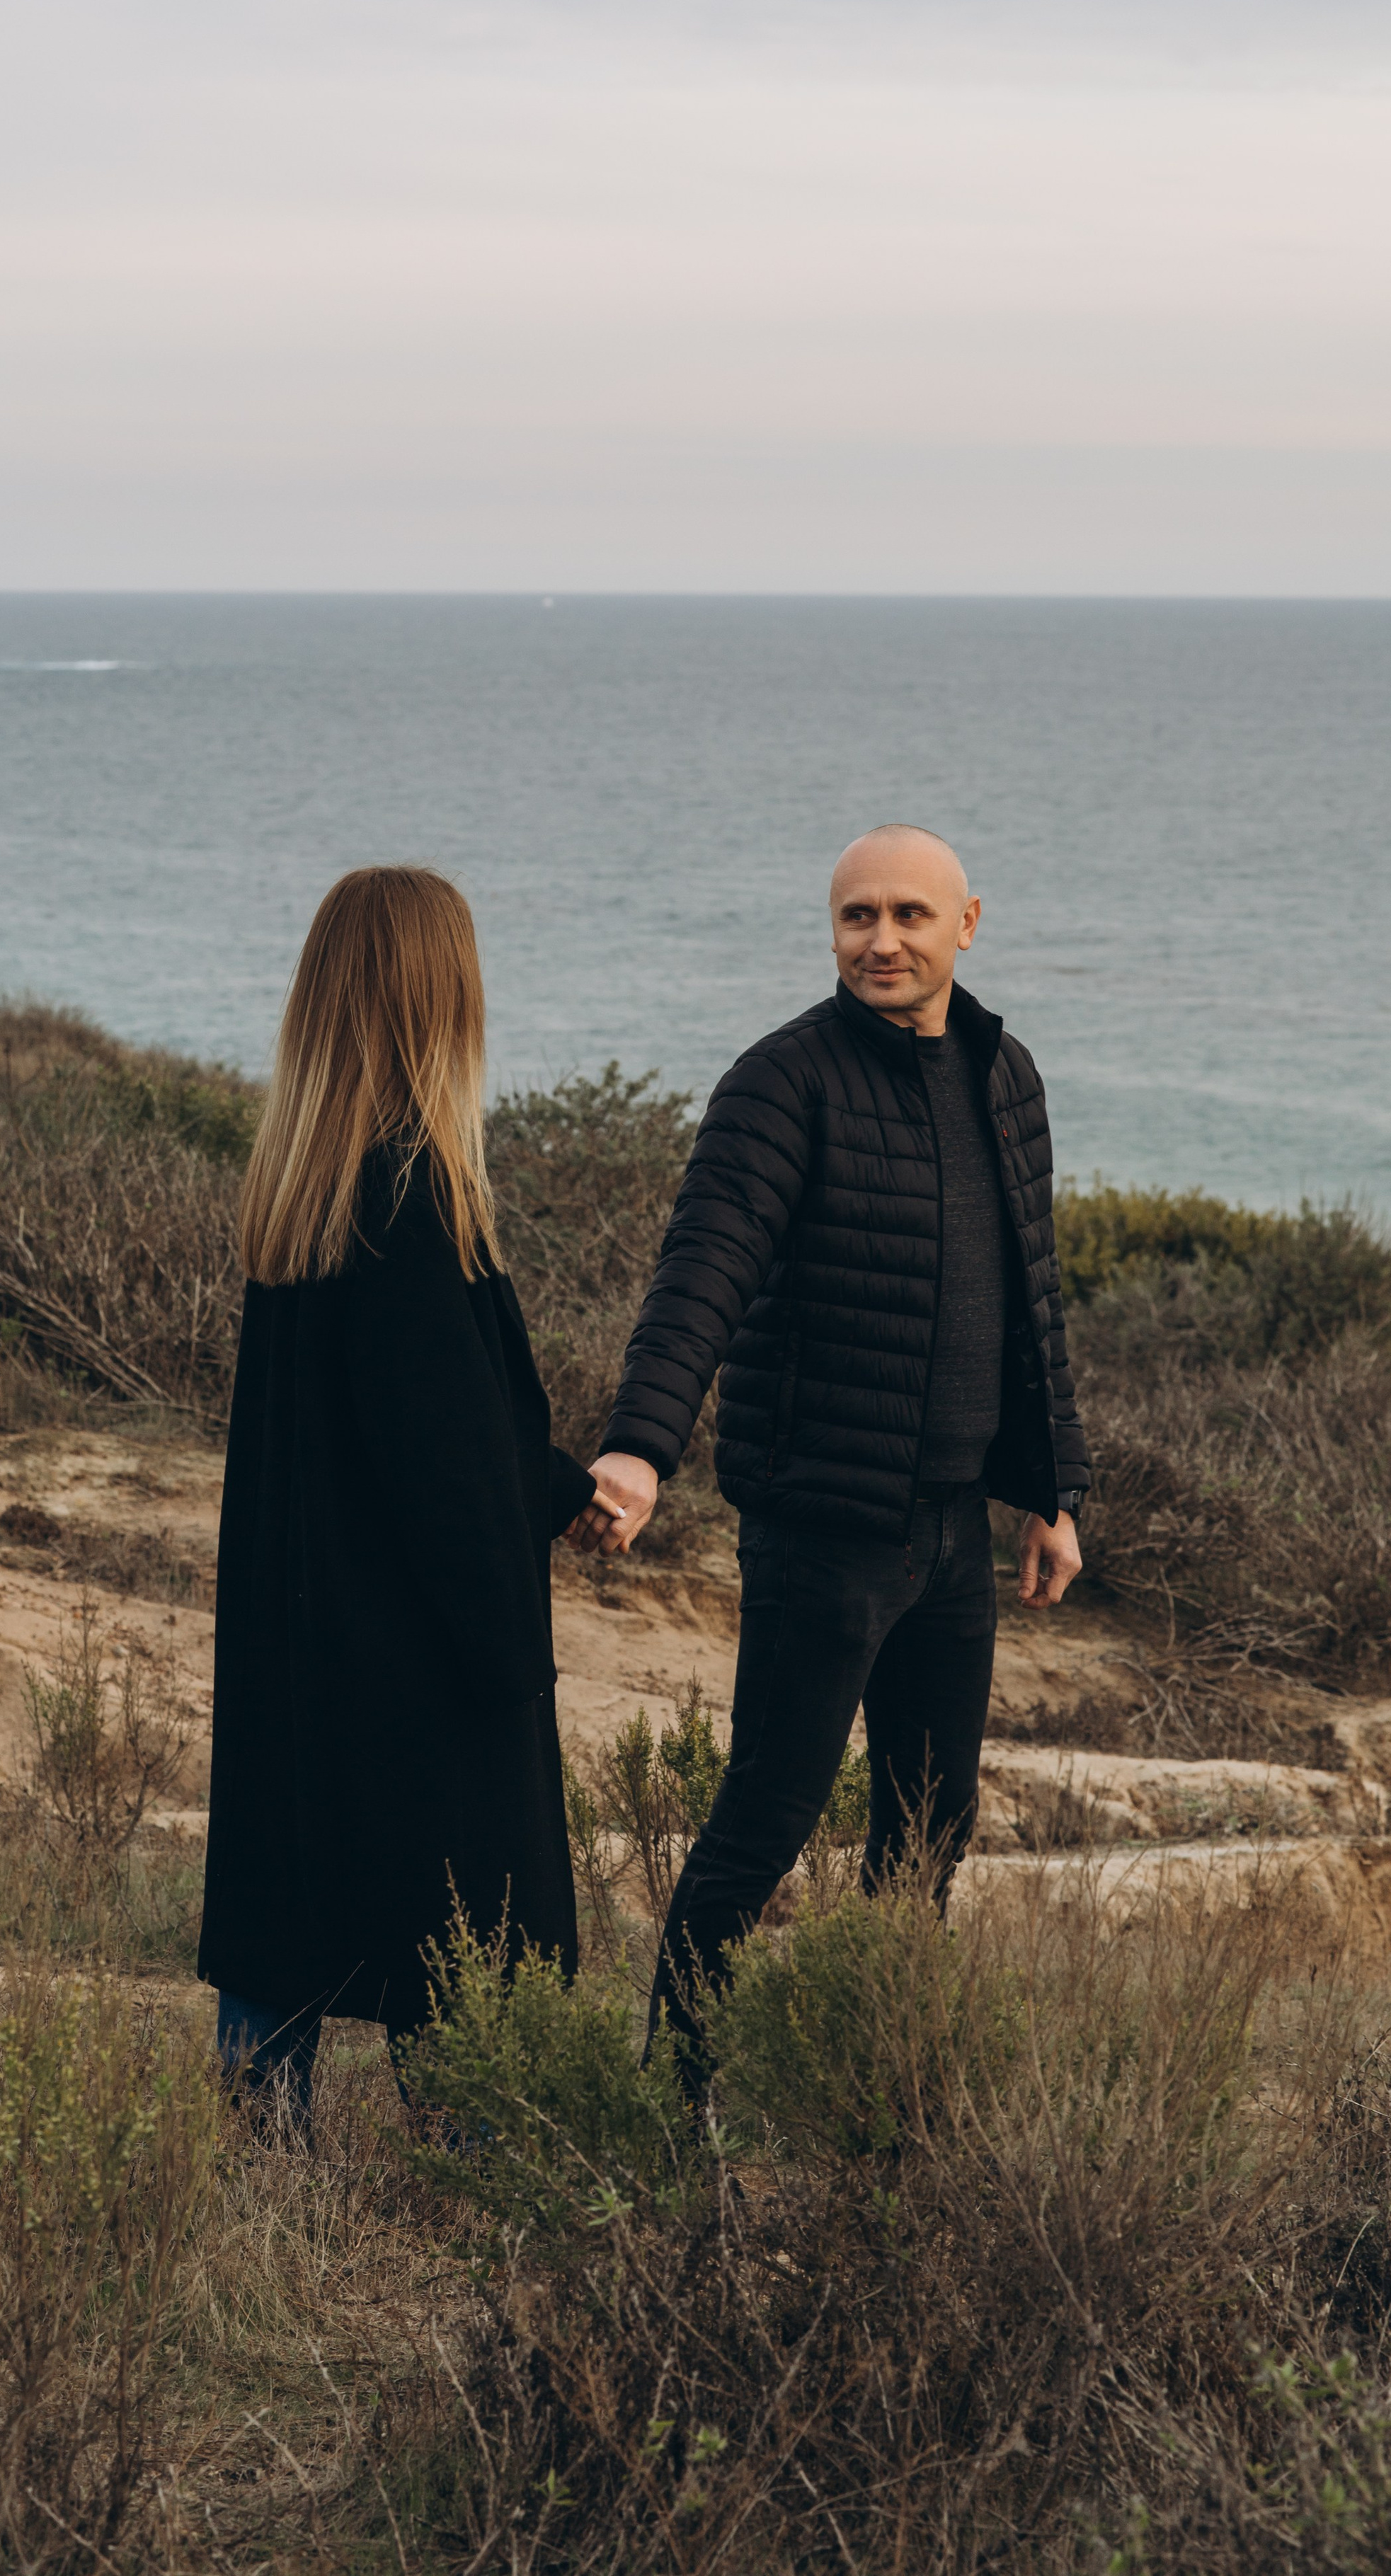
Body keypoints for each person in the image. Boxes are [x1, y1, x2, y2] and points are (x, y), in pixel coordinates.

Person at [571, 823, 1091, 2093]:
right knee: (766, 1821)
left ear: (968, 925)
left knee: (929, 1830)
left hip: (951, 1528)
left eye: (912, 915)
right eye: (858, 916)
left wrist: (1056, 1492)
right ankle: (676, 2088)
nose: (883, 940)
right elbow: (702, 1272)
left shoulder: (1001, 1073)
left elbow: (1033, 1295)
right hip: (823, 1527)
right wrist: (643, 1447)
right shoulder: (784, 1081)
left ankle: (881, 2076)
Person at [197, 865, 610, 2120]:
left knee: (292, 1903)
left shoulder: (306, 1194)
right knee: (471, 1924)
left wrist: (558, 1485)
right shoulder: (408, 1197)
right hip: (414, 1660)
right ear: (442, 997)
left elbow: (413, 1430)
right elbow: (447, 1469)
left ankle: (260, 2170)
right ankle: (467, 2165)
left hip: (307, 1638)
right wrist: (511, 1659)